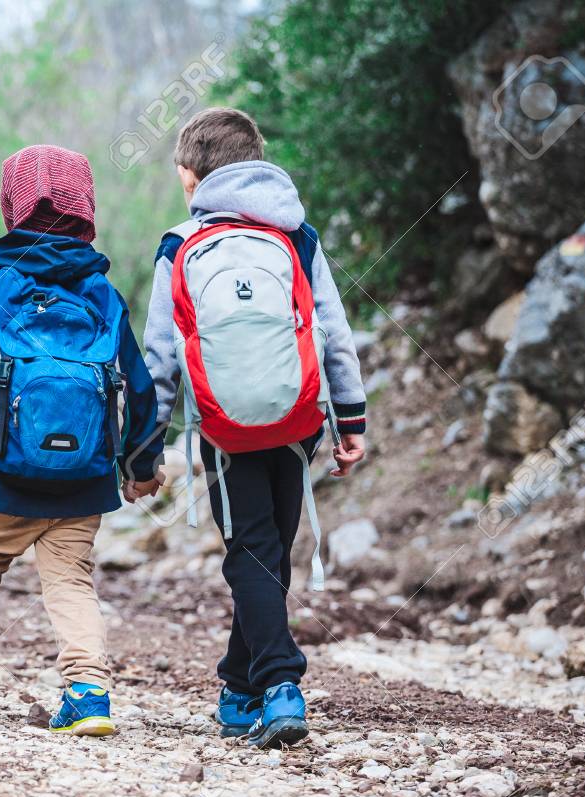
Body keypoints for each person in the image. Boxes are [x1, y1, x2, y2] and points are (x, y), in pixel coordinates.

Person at [129, 108, 367, 748]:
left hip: (223, 428)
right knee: (268, 552)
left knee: (251, 551)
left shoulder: (179, 245)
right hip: (298, 420)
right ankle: (240, 688)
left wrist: (142, 453)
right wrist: (351, 419)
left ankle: (282, 682)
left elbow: (159, 358)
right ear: (257, 163)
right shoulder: (299, 236)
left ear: (189, 176)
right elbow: (334, 336)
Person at [0, 144, 161, 736]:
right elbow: (138, 382)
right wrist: (141, 464)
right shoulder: (102, 296)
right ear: (87, 209)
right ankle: (88, 693)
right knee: (72, 581)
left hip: (5, 478)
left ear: (10, 207)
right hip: (87, 480)